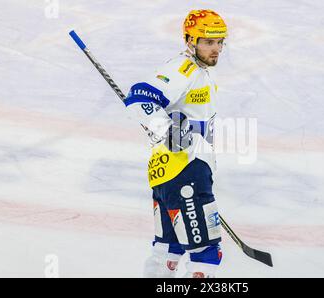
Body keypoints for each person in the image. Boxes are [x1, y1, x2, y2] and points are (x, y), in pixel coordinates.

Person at [124, 9, 227, 278]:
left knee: (167, 251)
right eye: (208, 41)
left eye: (219, 42)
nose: (216, 49)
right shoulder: (185, 68)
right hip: (187, 171)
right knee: (205, 254)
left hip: (165, 171)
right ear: (190, 40)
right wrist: (167, 130)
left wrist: (168, 132)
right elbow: (139, 97)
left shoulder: (199, 71)